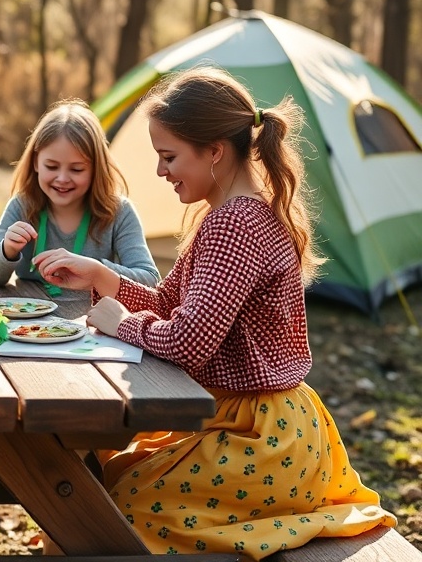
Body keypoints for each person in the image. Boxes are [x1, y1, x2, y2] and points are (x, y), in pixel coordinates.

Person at [32, 66, 396, 559]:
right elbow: (170, 305)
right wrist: (104, 278)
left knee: (105, 515)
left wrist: (122, 322)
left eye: (169, 156)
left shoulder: (235, 226)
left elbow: (187, 340)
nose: (161, 172)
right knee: (104, 478)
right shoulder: (236, 213)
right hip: (258, 424)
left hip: (259, 439)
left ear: (215, 152)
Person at [0, 98, 159, 299]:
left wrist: (97, 272)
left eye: (77, 169)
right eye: (51, 167)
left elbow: (150, 280)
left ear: (95, 169)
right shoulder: (23, 206)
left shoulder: (119, 212)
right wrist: (6, 250)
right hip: (30, 325)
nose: (62, 179)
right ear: (36, 162)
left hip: (91, 323)